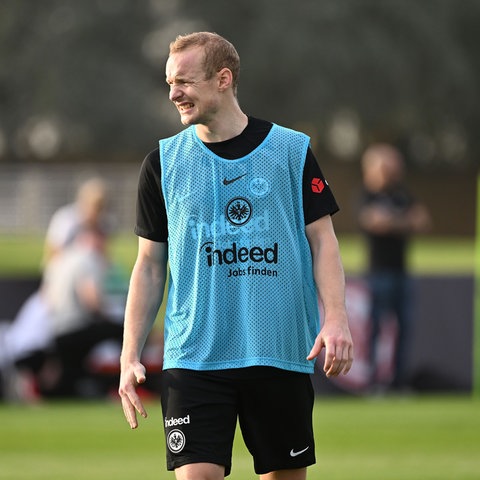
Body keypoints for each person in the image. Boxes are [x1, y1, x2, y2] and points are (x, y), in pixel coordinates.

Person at [118, 32, 353, 480]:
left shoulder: (291, 150)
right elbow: (148, 267)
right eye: (169, 82)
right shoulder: (162, 164)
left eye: (184, 81)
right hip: (194, 357)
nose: (173, 94)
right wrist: (130, 353)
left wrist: (337, 317)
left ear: (223, 79)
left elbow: (323, 241)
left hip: (279, 350)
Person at [358, 143, 431, 392]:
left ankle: (398, 383)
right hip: (379, 272)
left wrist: (393, 222)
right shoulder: (367, 195)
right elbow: (375, 222)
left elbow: (422, 221)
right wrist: (404, 221)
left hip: (402, 272)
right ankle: (373, 381)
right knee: (377, 328)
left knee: (404, 328)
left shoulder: (402, 193)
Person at [42, 226, 125, 397]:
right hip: (77, 327)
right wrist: (107, 316)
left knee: (71, 371)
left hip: (56, 328)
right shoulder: (88, 259)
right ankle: (124, 382)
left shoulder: (60, 259)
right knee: (124, 331)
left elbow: (46, 298)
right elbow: (91, 299)